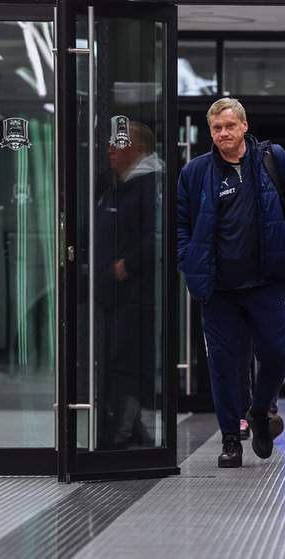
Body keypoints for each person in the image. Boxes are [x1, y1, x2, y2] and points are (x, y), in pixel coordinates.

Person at [177, 98, 285, 468]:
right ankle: (230, 439)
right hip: (218, 289)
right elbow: (181, 224)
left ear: (244, 126)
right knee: (222, 365)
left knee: (276, 354)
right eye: (217, 128)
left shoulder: (271, 159)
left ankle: (259, 411)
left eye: (229, 126)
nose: (223, 133)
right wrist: (188, 258)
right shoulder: (195, 171)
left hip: (266, 282)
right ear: (210, 132)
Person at [97, 120, 162, 450]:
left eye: (118, 143)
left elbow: (160, 234)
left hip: (136, 294)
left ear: (139, 150)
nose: (110, 149)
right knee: (116, 361)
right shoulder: (117, 185)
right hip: (113, 293)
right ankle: (133, 431)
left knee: (127, 363)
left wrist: (128, 265)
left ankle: (119, 436)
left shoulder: (151, 185)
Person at [238, 257, 285, 440]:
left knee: (273, 353)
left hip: (271, 286)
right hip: (236, 285)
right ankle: (242, 413)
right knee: (239, 355)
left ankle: (265, 410)